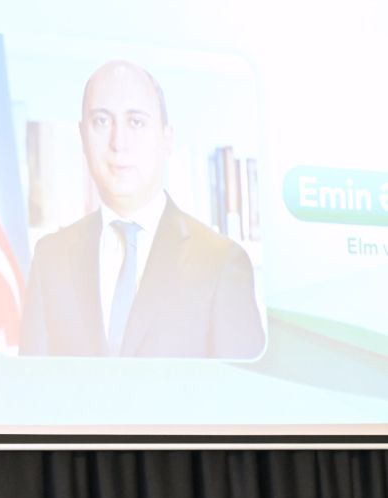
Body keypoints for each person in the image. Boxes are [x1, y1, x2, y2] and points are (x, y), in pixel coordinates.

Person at [19, 60, 265, 358]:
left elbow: (244, 387)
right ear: (82, 136)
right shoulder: (50, 258)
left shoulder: (221, 263)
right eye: (101, 121)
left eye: (135, 122)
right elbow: (27, 383)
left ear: (167, 138)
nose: (118, 142)